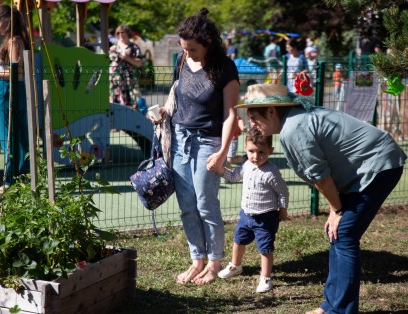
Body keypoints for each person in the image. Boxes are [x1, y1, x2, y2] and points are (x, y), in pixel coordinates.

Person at [237, 83, 406, 314]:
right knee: (337, 233)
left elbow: (320, 176)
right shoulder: (293, 120)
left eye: (254, 117)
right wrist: (334, 209)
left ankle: (340, 310)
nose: (251, 124)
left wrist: (337, 211)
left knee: (344, 234)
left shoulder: (293, 128)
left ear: (272, 111)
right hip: (363, 171)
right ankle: (330, 306)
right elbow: (323, 175)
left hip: (379, 165)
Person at [150, 8, 239, 285]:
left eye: (193, 49)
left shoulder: (225, 68)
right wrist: (163, 111)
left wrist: (222, 153)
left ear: (208, 43)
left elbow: (231, 115)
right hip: (179, 139)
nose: (188, 54)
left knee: (205, 203)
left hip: (208, 142)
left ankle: (214, 264)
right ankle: (196, 260)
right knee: (187, 206)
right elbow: (176, 92)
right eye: (184, 48)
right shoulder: (182, 60)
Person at [213, 127, 289, 293]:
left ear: (271, 150)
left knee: (265, 248)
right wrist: (220, 170)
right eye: (251, 151)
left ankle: (266, 278)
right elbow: (233, 176)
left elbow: (283, 191)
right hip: (246, 215)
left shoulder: (271, 173)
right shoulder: (247, 165)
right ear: (246, 149)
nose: (256, 156)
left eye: (261, 152)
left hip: (266, 218)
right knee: (238, 240)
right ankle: (235, 266)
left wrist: (283, 210)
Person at [0, 4, 30, 196]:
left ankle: (10, 181)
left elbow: (16, 72)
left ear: (7, 21)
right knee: (17, 137)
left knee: (8, 138)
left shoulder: (14, 41)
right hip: (11, 91)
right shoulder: (17, 40)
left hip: (8, 92)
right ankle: (21, 178)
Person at [109, 25, 143, 108]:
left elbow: (139, 63)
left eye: (122, 32)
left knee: (132, 101)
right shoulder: (113, 46)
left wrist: (127, 58)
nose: (120, 34)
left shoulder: (134, 47)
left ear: (128, 33)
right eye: (118, 32)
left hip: (129, 78)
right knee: (114, 101)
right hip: (115, 78)